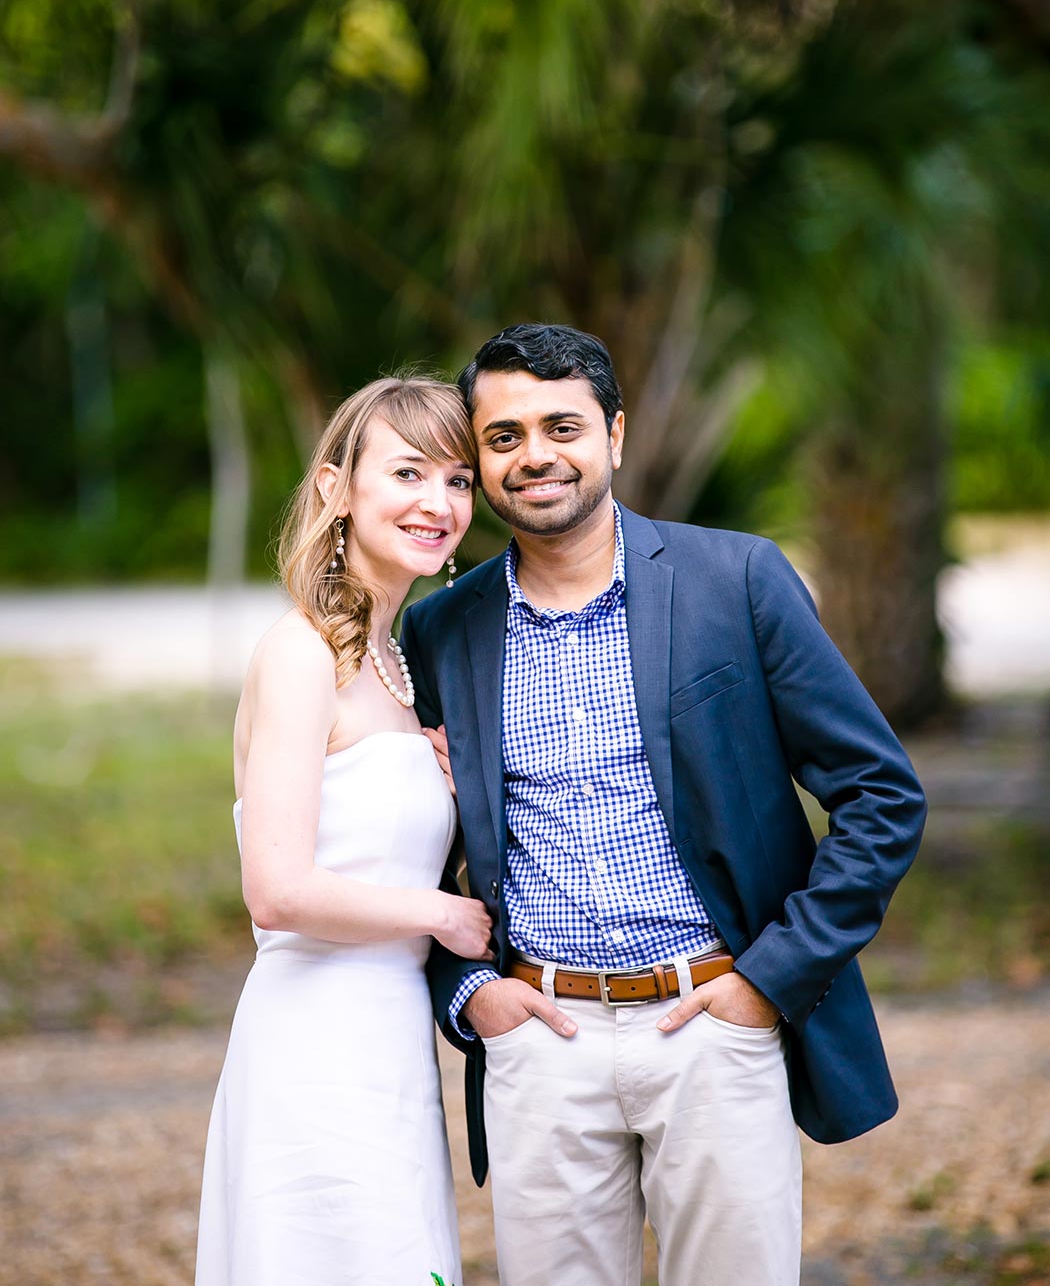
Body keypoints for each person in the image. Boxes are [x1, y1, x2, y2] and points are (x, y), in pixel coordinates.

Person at [401, 323, 928, 1286]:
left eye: (561, 425)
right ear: (477, 460)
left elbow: (881, 794)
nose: (535, 455)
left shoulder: (737, 579)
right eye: (504, 436)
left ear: (615, 432)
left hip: (714, 1022)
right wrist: (473, 994)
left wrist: (769, 980)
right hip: (539, 1039)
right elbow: (410, 847)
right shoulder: (441, 628)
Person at [195, 375, 491, 1286]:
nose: (437, 502)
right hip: (314, 1047)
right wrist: (444, 915)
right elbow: (277, 890)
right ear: (335, 487)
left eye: (457, 479)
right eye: (408, 472)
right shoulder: (301, 653)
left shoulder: (399, 663)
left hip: (388, 1041)